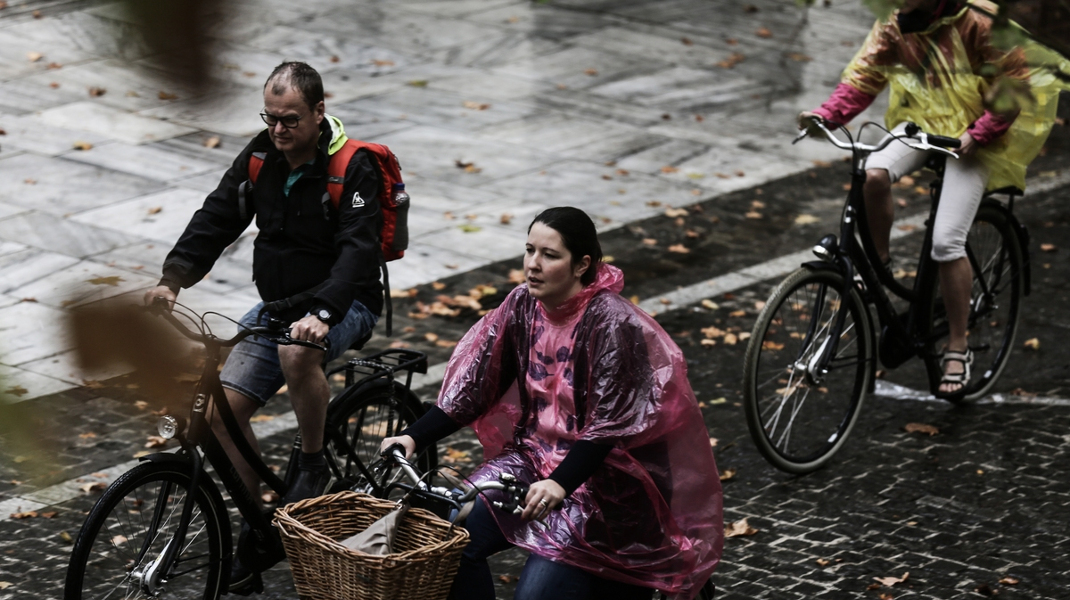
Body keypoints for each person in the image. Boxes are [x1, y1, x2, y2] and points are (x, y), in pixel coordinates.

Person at [381, 207, 723, 600]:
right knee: (447, 541)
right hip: (530, 463)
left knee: (536, 595)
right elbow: (475, 386)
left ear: (582, 265)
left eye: (549, 255)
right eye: (529, 251)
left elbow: (608, 427)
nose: (533, 265)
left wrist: (560, 482)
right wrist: (412, 437)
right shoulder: (522, 305)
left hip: (605, 487)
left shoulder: (613, 325)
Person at [143, 61, 384, 593]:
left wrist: (322, 314)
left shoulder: (353, 165)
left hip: (346, 303)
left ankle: (314, 460)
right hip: (279, 304)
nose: (278, 130)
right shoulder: (259, 157)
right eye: (270, 118)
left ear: (319, 113)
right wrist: (173, 280)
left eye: (290, 119)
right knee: (224, 416)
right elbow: (217, 217)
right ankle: (255, 536)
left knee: (297, 354)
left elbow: (357, 252)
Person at [799, 0, 1067, 397]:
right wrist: (828, 115)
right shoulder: (898, 21)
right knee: (873, 174)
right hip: (924, 128)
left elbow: (1015, 82)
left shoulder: (979, 19)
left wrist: (979, 134)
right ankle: (880, 264)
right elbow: (865, 74)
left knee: (946, 242)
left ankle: (958, 344)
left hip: (974, 139)